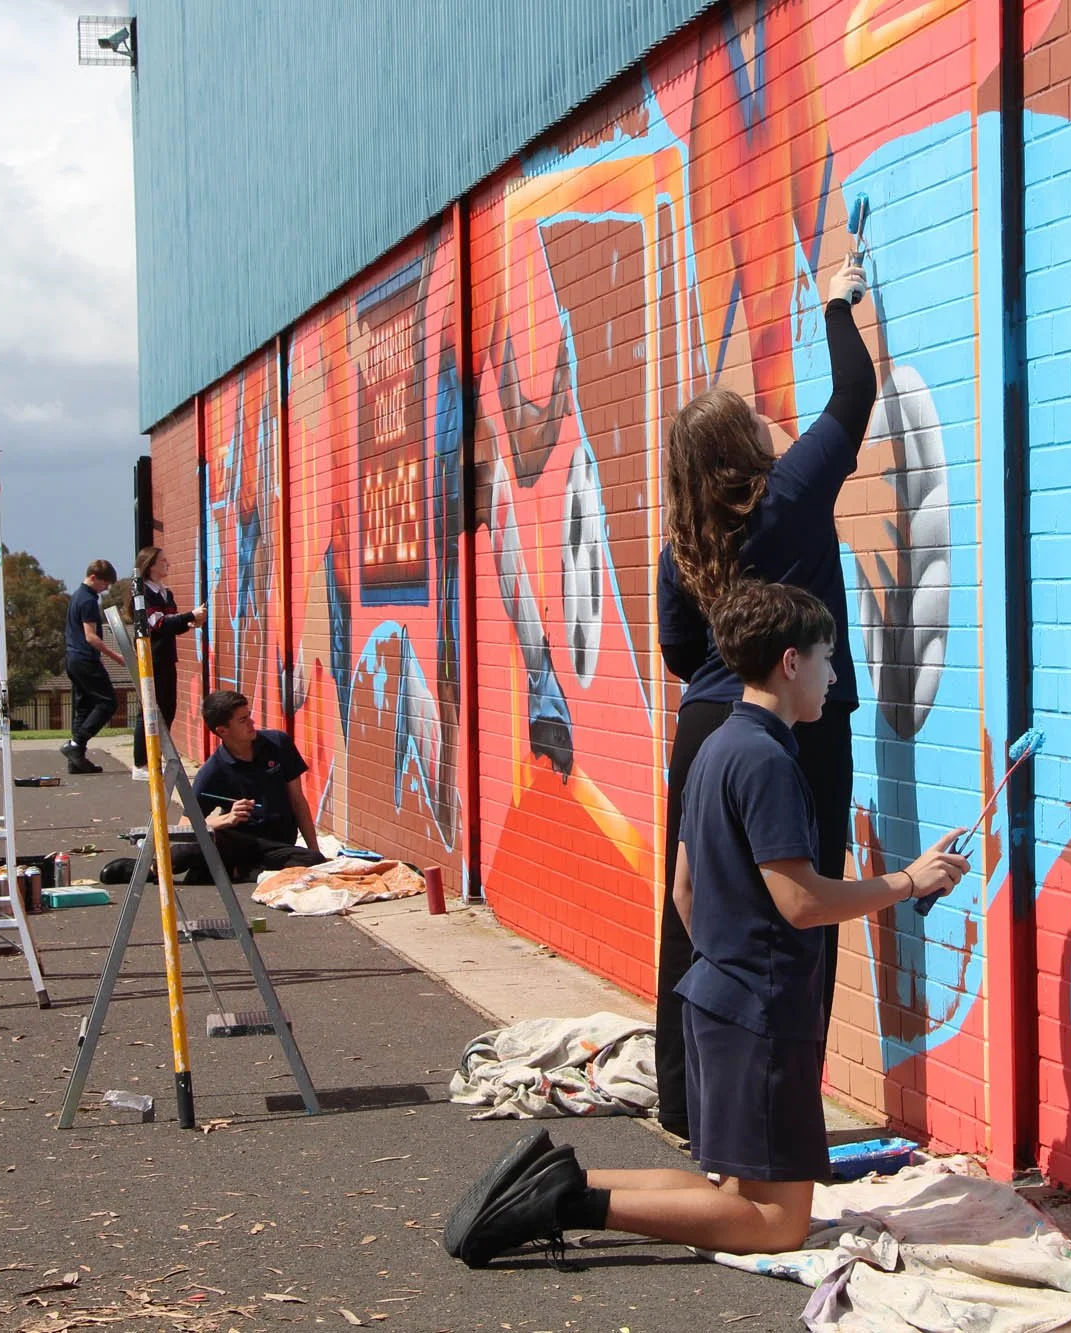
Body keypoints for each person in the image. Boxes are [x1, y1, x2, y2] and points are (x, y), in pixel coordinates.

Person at [445, 582, 968, 1266]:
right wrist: (908, 881)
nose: (833, 675)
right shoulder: (769, 758)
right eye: (826, 657)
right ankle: (569, 1200)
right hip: (761, 1010)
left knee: (731, 1191)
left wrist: (725, 962)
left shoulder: (718, 744)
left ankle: (559, 1177)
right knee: (776, 1220)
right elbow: (802, 902)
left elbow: (685, 890)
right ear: (789, 661)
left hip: (716, 996)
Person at [652, 253, 875, 1139]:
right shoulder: (794, 488)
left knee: (696, 902)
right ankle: (786, 1102)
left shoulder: (684, 543)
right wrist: (836, 302)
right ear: (747, 444)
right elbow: (853, 394)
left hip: (707, 725)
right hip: (801, 728)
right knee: (802, 906)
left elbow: (675, 647)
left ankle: (685, 1099)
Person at [190, 689, 325, 878]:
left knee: (312, 860)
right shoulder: (213, 771)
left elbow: (298, 801)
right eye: (243, 720)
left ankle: (239, 871)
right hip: (240, 843)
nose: (252, 723)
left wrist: (315, 850)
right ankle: (150, 869)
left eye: (249, 716)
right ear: (222, 731)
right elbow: (186, 826)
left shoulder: (278, 743)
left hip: (278, 844)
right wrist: (226, 819)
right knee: (184, 850)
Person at [126, 547, 206, 778]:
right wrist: (190, 615)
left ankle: (157, 758)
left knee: (168, 709)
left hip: (167, 658)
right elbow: (156, 624)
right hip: (151, 658)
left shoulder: (165, 593)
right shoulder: (142, 593)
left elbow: (171, 625)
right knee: (150, 709)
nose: (167, 563)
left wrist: (190, 623)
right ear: (150, 565)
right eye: (162, 560)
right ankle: (141, 763)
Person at [62, 559, 126, 775]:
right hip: (85, 658)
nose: (106, 589)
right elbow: (90, 637)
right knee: (107, 703)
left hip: (72, 658)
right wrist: (115, 656)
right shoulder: (88, 600)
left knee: (83, 706)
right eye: (104, 584)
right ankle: (76, 745)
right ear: (93, 578)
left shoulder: (76, 596)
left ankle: (76, 761)